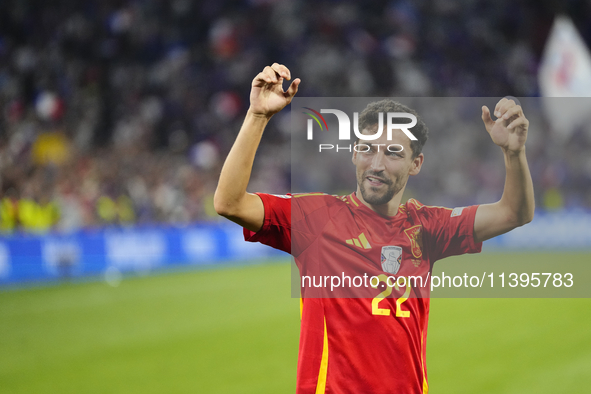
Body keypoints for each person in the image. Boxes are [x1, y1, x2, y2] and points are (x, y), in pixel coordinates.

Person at [214, 63, 534, 394]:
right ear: (354, 153)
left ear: (416, 164)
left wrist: (514, 153)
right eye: (367, 149)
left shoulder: (427, 227)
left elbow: (514, 212)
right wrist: (257, 116)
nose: (376, 164)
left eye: (393, 153)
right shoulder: (316, 218)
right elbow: (230, 203)